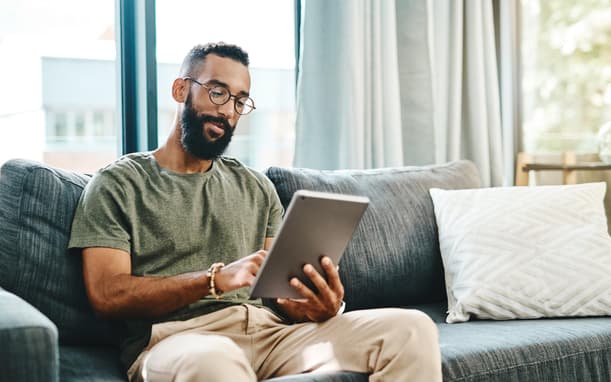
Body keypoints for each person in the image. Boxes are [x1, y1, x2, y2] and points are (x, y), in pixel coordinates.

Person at [69, 42, 442, 382]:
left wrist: (319, 305)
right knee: (215, 360)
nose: (227, 111)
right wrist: (214, 279)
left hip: (271, 335)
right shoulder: (118, 183)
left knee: (411, 328)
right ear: (180, 89)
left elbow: (279, 299)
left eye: (239, 101)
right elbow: (107, 295)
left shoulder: (256, 187)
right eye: (217, 92)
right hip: (177, 340)